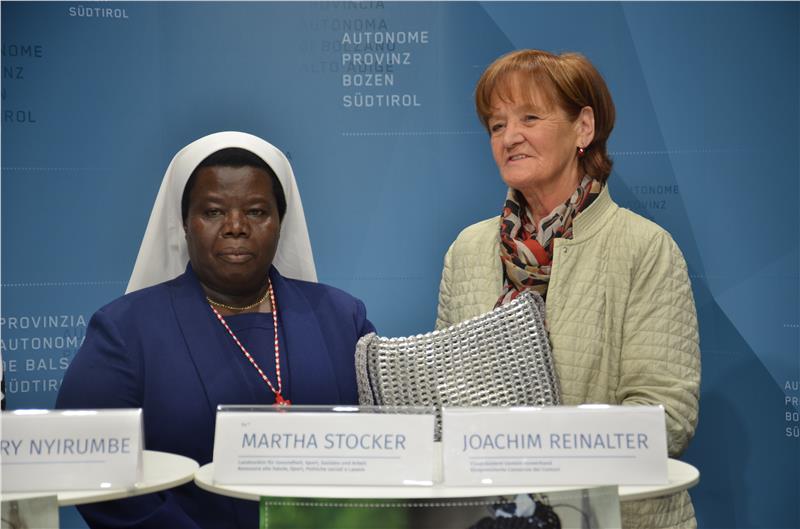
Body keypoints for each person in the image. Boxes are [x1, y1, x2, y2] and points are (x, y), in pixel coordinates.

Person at [56, 131, 375, 529]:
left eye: (256, 211)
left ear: (280, 222)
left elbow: (389, 448)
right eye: (213, 212)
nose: (236, 226)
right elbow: (91, 464)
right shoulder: (124, 331)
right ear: (184, 224)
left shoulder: (342, 319)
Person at [435, 50, 700, 529]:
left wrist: (533, 447)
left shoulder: (644, 248)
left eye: (530, 118)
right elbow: (445, 404)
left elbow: (666, 418)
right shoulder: (467, 250)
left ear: (583, 128)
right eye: (497, 125)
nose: (510, 137)